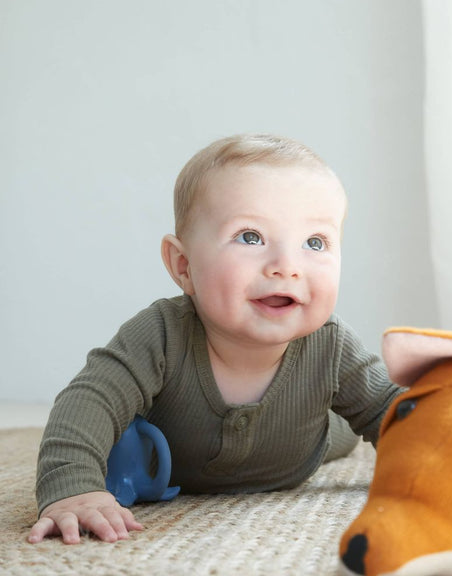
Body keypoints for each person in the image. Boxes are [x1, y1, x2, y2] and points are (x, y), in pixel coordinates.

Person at [28, 133, 402, 545]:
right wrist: (74, 487)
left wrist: (443, 459)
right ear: (184, 265)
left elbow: (392, 409)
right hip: (176, 457)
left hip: (306, 439)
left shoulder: (330, 346)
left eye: (315, 242)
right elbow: (89, 400)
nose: (286, 266)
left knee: (353, 423)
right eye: (250, 237)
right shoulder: (160, 334)